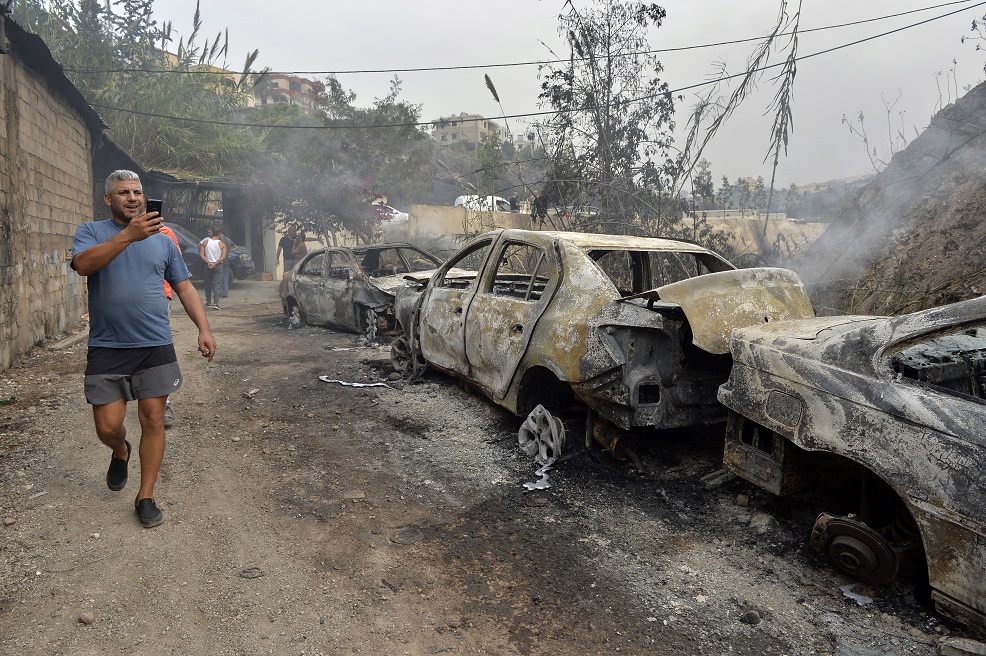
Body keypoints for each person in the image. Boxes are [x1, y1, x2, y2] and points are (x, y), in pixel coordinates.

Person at [71, 170, 216, 529]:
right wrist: (128, 236)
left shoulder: (164, 241)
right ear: (109, 199)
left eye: (137, 192)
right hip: (108, 345)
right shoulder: (90, 232)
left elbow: (184, 288)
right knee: (108, 426)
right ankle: (120, 451)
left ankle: (146, 495)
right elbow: (83, 266)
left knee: (153, 420)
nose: (133, 198)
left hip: (154, 344)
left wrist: (204, 328)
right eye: (123, 192)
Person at [159, 223, 181, 429]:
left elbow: (176, 266)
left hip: (159, 297)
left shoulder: (165, 233)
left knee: (160, 350)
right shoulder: (118, 232)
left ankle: (164, 404)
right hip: (127, 303)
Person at [199, 230, 226, 309]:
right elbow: (223, 257)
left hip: (207, 266)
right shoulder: (222, 244)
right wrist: (215, 263)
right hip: (218, 266)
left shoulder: (205, 242)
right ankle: (216, 303)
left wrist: (208, 262)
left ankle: (208, 302)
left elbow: (201, 255)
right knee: (217, 285)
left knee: (207, 284)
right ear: (219, 234)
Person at [215, 226, 236, 298]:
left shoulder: (219, 241)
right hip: (226, 260)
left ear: (220, 233)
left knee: (219, 277)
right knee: (225, 277)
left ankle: (220, 292)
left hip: (219, 260)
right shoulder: (229, 240)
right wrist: (229, 251)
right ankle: (225, 292)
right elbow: (236, 247)